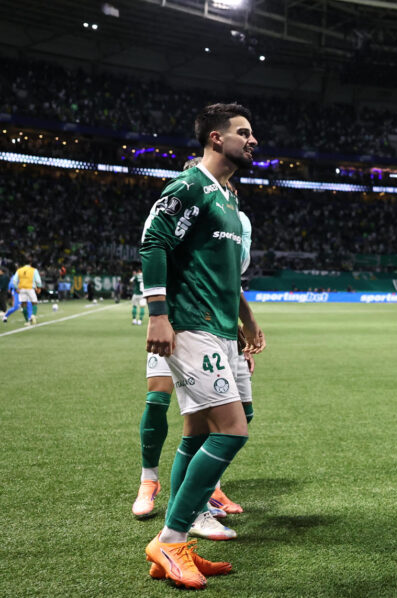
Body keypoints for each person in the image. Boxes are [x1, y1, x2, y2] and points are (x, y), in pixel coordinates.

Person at [139, 103, 262, 589]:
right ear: (215, 138)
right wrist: (159, 316)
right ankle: (170, 540)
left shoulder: (228, 197)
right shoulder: (190, 186)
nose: (253, 141)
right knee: (231, 431)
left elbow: (228, 276)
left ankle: (181, 534)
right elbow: (154, 242)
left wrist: (246, 321)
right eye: (244, 133)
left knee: (199, 432)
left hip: (220, 328)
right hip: (192, 326)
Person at [14, 257, 41, 325]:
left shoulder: (19, 270)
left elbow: (14, 281)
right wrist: (39, 287)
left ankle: (27, 321)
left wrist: (16, 288)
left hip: (22, 289)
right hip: (30, 289)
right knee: (34, 302)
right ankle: (33, 315)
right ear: (30, 263)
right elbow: (38, 280)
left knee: (23, 304)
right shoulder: (34, 270)